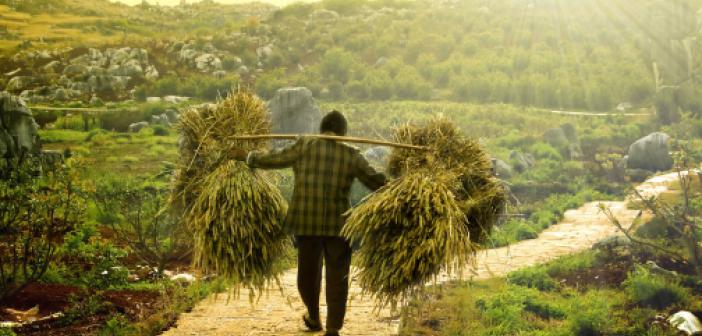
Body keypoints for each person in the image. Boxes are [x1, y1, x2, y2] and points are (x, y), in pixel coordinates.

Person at [232, 110, 386, 336]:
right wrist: (404, 183)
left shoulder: (305, 145)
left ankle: (313, 316)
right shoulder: (351, 154)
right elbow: (377, 182)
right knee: (338, 276)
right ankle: (333, 328)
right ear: (343, 133)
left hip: (306, 223)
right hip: (338, 226)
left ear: (321, 129)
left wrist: (247, 157)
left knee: (307, 274)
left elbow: (274, 159)